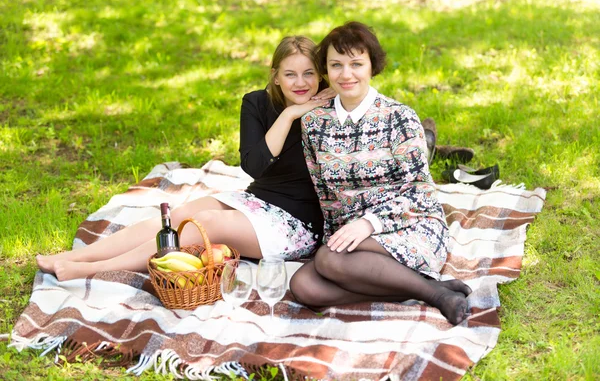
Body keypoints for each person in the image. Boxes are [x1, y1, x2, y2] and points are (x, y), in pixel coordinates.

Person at [36, 36, 334, 281]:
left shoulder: (328, 111)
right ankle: (77, 255)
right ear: (276, 77)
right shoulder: (256, 102)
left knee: (203, 224)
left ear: (320, 76)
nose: (301, 83)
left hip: (298, 223)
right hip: (257, 200)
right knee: (176, 216)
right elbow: (254, 166)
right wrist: (289, 115)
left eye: (309, 73)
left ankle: (89, 270)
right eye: (290, 74)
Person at [289, 22, 472, 325]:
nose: (346, 74)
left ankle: (437, 296)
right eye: (336, 65)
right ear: (326, 69)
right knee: (304, 287)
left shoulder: (399, 117)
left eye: (356, 64)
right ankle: (424, 287)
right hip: (353, 240)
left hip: (410, 225)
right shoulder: (314, 123)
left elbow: (420, 192)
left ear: (372, 66)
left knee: (328, 258)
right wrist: (338, 234)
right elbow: (326, 195)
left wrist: (369, 223)